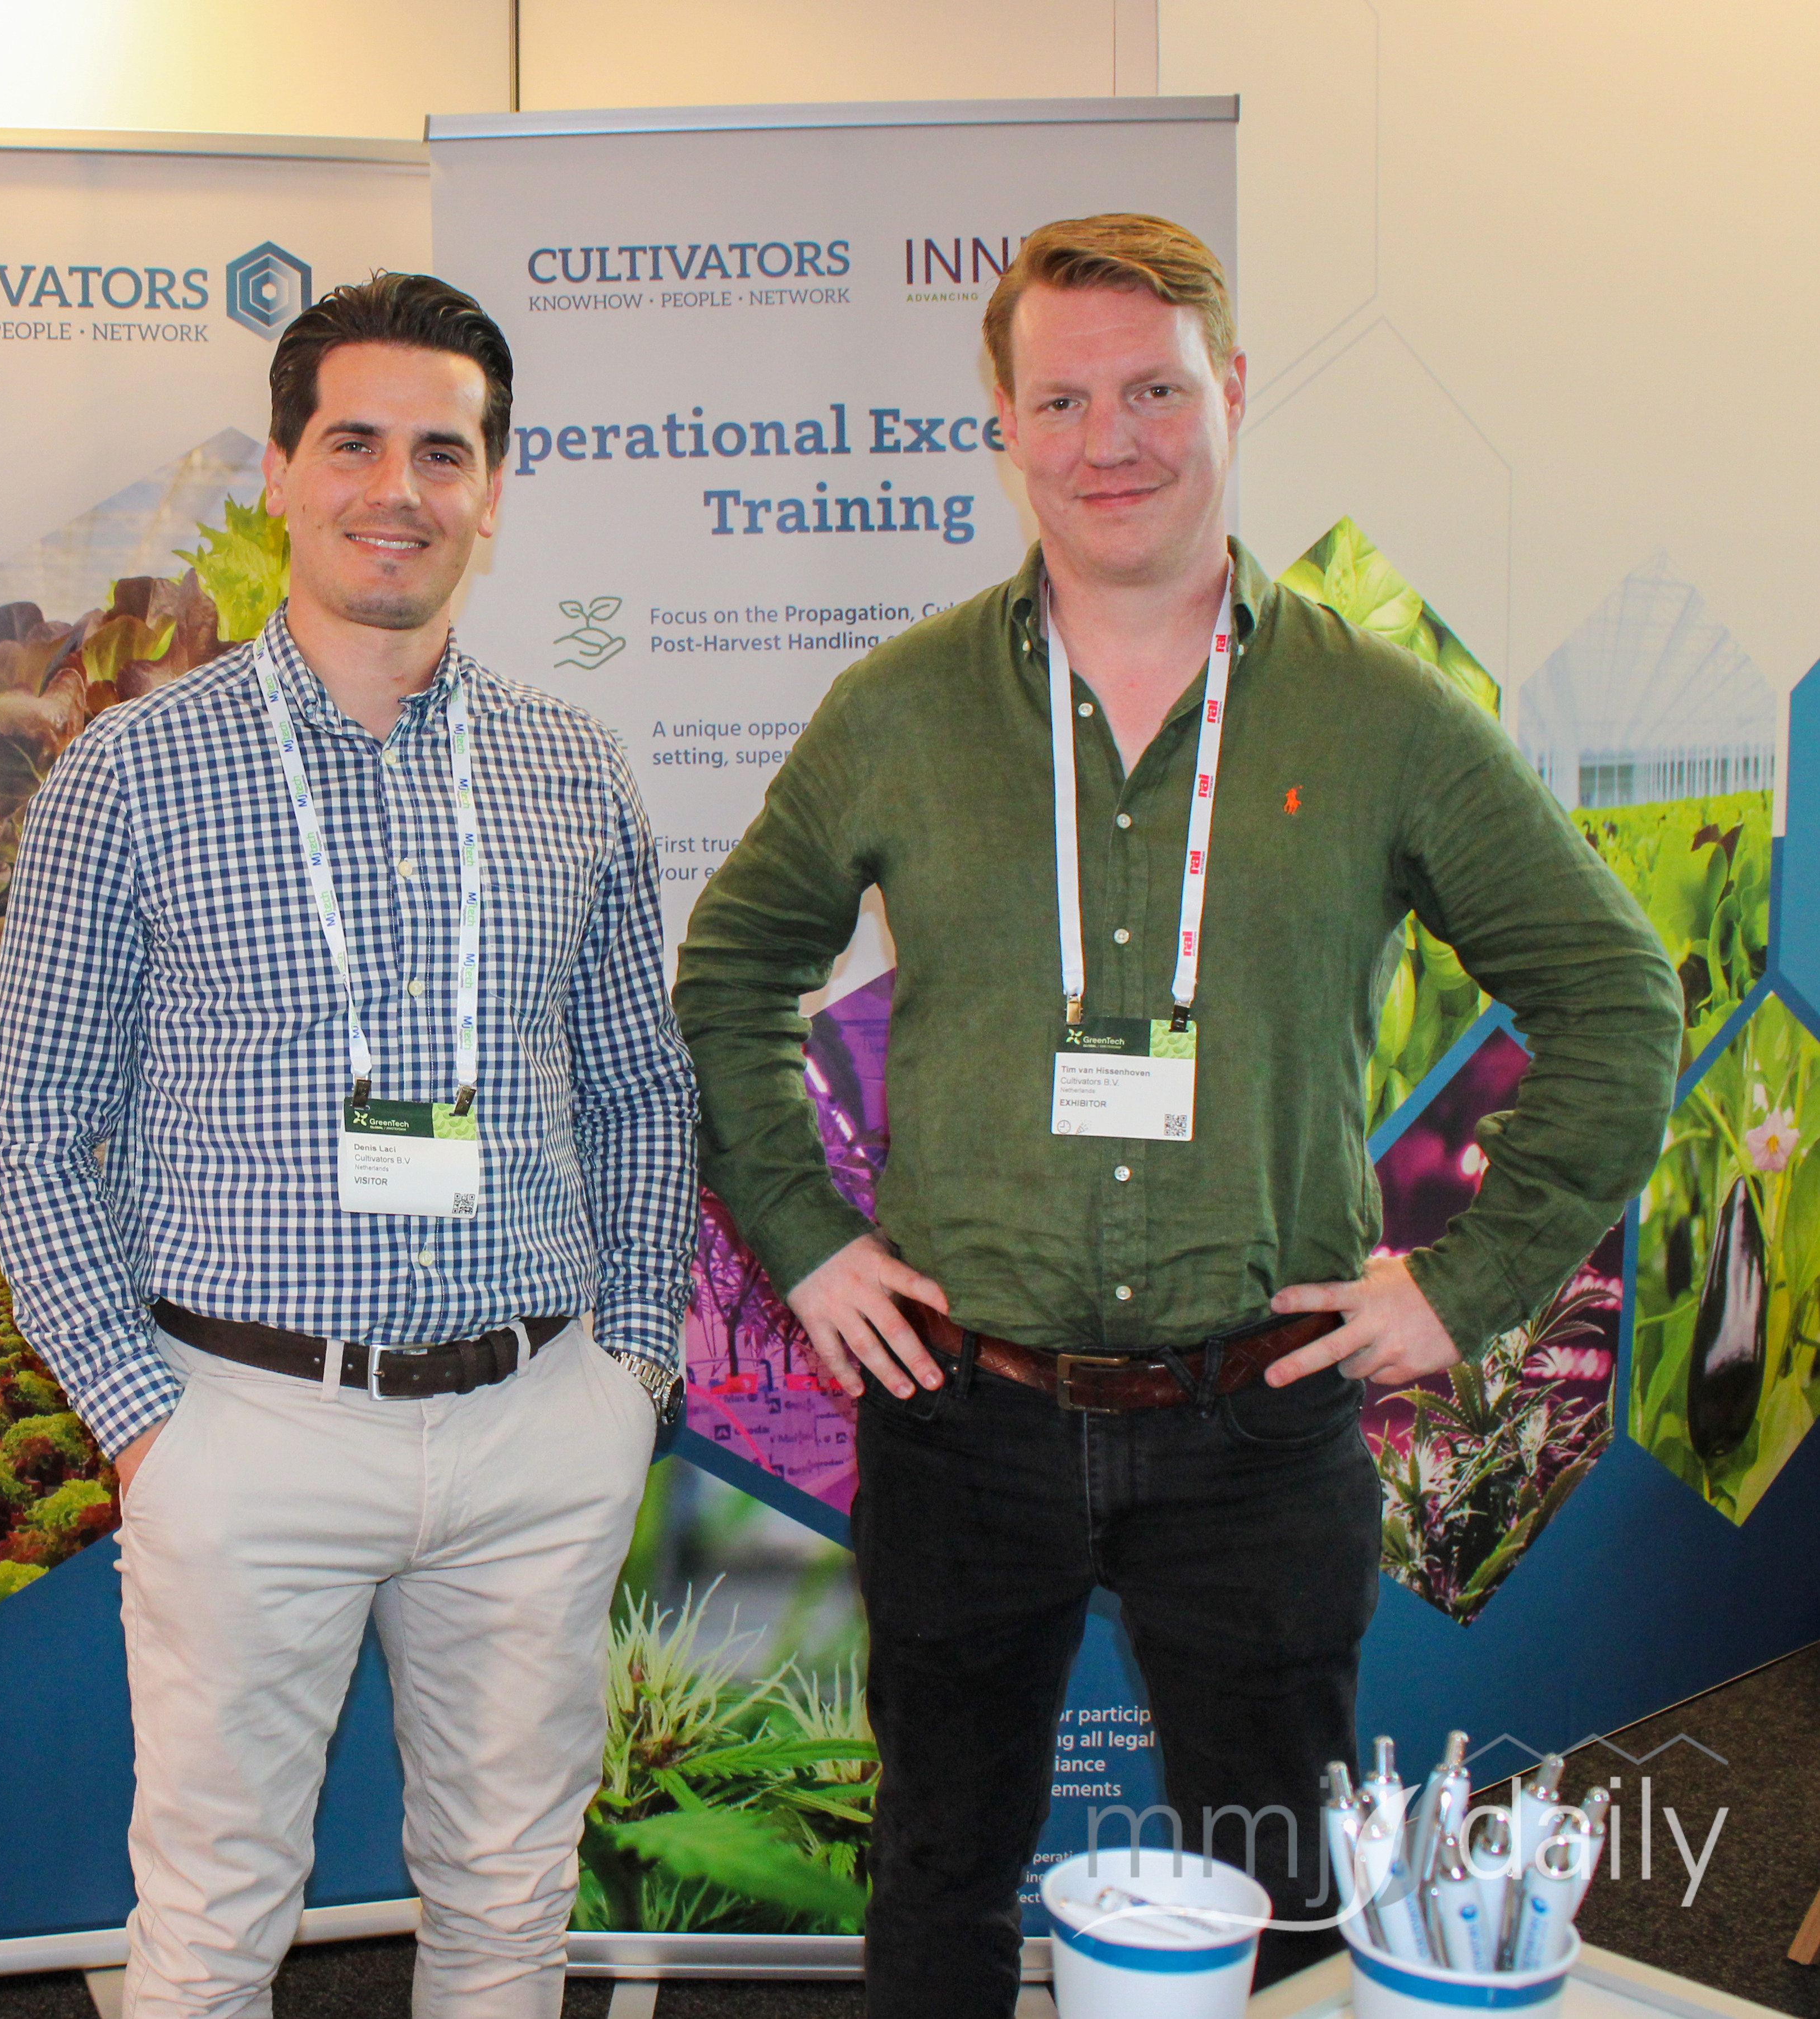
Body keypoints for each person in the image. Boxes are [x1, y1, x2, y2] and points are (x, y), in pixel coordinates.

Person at [673, 214, 1679, 2012]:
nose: (1108, 441)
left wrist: (1462, 1288)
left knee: (1280, 1889)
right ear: (1002, 422)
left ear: (1231, 390)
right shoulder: (899, 710)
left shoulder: (1378, 716)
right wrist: (805, 1240)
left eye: (1152, 391)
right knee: (937, 1871)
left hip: (1256, 1423)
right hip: (960, 1414)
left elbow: (1617, 997)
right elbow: (733, 969)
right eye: (1060, 401)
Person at [0, 272, 698, 2019]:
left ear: (492, 492)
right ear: (282, 474)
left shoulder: (573, 769)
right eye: (354, 443)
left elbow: (640, 1092)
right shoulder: (129, 776)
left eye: (442, 453)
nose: (398, 489)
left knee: (509, 1900)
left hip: (535, 1421)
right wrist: (146, 1427)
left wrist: (631, 1372)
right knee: (216, 1916)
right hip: (248, 1426)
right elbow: (28, 1128)